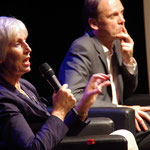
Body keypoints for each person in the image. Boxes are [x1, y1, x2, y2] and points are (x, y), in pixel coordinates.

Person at [0, 16, 139, 150]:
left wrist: (84, 103)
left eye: (26, 41)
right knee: (124, 138)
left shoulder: (25, 86)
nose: (28, 48)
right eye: (18, 44)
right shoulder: (3, 99)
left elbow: (60, 133)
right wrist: (59, 111)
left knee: (125, 136)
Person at [59, 0, 150, 149]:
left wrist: (128, 60)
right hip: (101, 125)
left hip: (123, 119)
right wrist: (120, 108)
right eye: (113, 15)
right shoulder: (82, 48)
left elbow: (128, 92)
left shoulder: (117, 44)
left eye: (122, 13)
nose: (122, 20)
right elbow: (73, 98)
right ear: (94, 23)